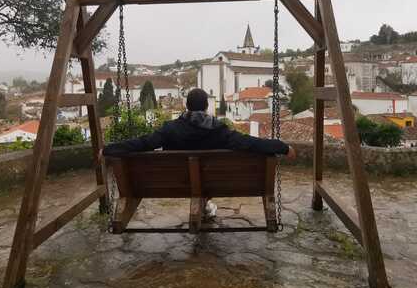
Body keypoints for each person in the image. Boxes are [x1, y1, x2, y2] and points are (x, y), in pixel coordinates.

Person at [102, 88, 296, 219]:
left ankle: (203, 203)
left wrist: (108, 149)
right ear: (205, 107)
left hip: (177, 183)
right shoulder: (220, 130)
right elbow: (250, 143)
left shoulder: (170, 129)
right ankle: (205, 203)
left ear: (187, 106)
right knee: (207, 175)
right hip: (215, 182)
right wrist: (283, 147)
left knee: (194, 177)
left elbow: (143, 143)